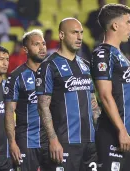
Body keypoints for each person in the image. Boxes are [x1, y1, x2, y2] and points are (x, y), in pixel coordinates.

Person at [35, 18, 100, 171]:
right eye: (74, 32)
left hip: (90, 143)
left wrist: (103, 133)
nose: (79, 37)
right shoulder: (48, 66)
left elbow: (93, 104)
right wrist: (53, 140)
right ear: (62, 35)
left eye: (81, 33)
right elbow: (43, 107)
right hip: (64, 143)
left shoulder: (85, 65)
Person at [90, 4, 130, 171]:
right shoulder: (103, 54)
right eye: (128, 22)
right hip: (113, 134)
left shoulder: (122, 56)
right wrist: (122, 131)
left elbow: (127, 100)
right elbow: (105, 95)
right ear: (115, 25)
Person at [4, 29, 47, 171]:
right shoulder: (16, 76)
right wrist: (12, 143)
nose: (42, 48)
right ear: (25, 49)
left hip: (51, 141)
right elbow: (9, 113)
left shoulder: (53, 73)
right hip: (27, 141)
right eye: (36, 44)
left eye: (43, 44)